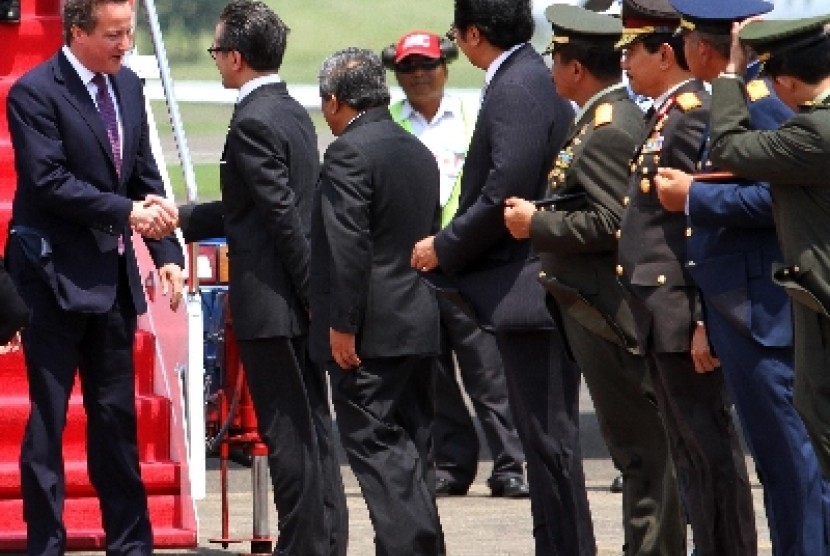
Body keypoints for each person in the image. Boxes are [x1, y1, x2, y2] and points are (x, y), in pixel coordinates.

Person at [411, 1, 595, 554]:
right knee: (544, 442)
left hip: (529, 289)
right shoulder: (523, 77)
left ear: (471, 34)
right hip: (531, 287)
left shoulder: (515, 85)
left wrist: (444, 247)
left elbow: (505, 190)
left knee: (548, 441)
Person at [4, 0, 184, 553]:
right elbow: (48, 181)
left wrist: (168, 252)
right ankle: (46, 543)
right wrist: (127, 213)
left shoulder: (128, 87)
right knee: (48, 423)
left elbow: (143, 176)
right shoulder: (34, 92)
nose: (125, 44)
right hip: (49, 282)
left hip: (111, 284)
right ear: (77, 31)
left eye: (129, 31)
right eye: (114, 34)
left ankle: (131, 544)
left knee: (116, 422)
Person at [503, 5, 684, 555]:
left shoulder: (608, 129)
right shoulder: (600, 119)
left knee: (641, 453)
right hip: (591, 309)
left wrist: (538, 223)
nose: (552, 71)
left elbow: (614, 222)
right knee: (636, 452)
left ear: (574, 68)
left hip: (608, 314)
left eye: (555, 60)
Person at [652, 1, 830, 554]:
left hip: (765, 307)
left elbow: (772, 192)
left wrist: (694, 197)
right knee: (776, 466)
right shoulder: (732, 95)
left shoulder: (766, 97)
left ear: (701, 47)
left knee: (794, 459)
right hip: (737, 303)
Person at [177, 2, 349, 555]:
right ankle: (326, 540)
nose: (216, 62)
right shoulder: (292, 110)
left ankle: (303, 546)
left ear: (235, 57)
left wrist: (311, 297)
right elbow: (247, 208)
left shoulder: (252, 119)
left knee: (289, 439)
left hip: (276, 306)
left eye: (216, 51)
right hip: (292, 302)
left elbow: (282, 221)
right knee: (313, 431)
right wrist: (179, 217)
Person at [614, 1, 757, 554]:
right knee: (691, 450)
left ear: (665, 52)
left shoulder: (695, 109)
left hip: (681, 311)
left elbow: (699, 231)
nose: (625, 64)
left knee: (710, 449)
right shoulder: (670, 109)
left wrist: (701, 319)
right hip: (660, 308)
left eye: (632, 51)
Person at [383, 29, 528, 498]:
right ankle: (454, 463)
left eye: (428, 65)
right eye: (409, 68)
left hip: (465, 259)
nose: (420, 75)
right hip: (413, 266)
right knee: (435, 372)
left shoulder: (474, 115)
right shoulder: (387, 123)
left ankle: (510, 463)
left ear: (446, 66)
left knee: (487, 372)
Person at [310, 47, 444, 556]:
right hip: (417, 322)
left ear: (334, 101)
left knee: (381, 455)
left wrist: (342, 324)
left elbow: (349, 245)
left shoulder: (348, 152)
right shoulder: (417, 150)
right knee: (412, 455)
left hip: (369, 334)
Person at [706, 14, 830, 480]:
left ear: (786, 81)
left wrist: (730, 73)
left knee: (818, 415)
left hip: (822, 299)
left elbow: (729, 146)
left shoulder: (813, 132)